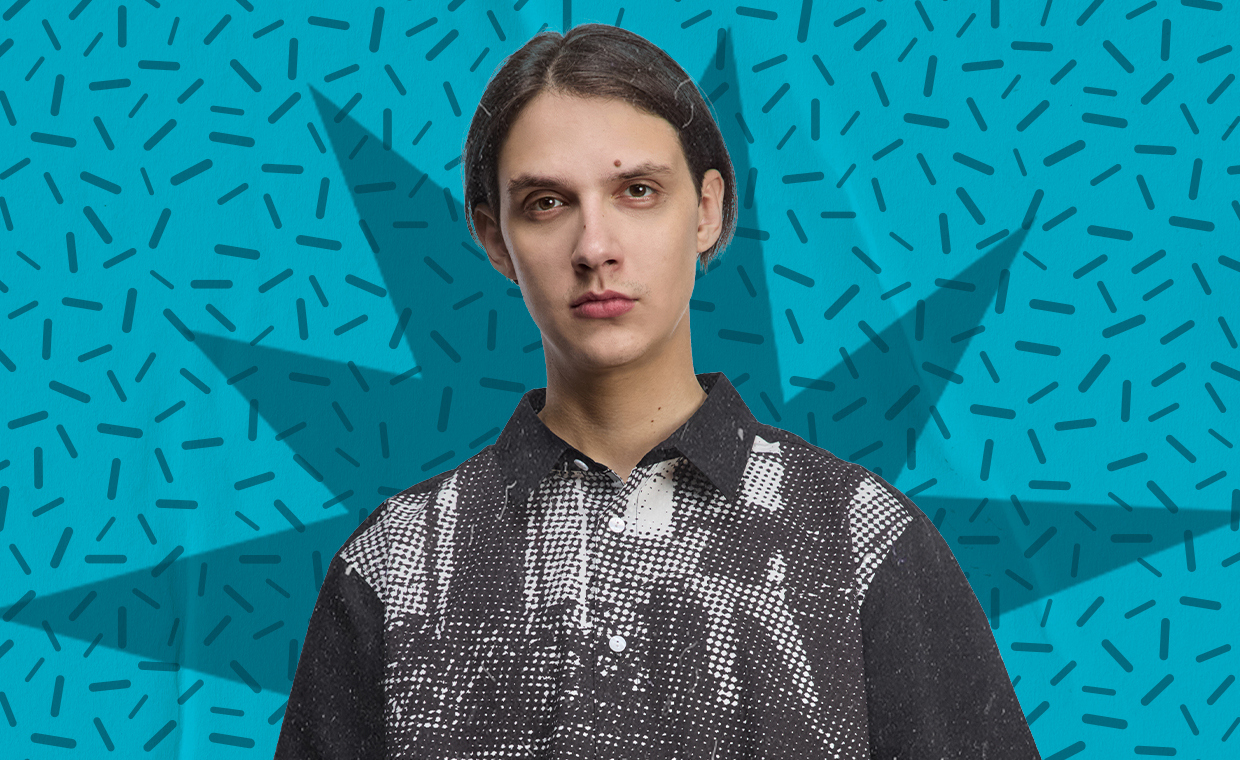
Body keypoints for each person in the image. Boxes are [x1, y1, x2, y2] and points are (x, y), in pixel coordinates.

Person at [273, 23, 1042, 760]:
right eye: (547, 203)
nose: (595, 247)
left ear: (706, 211)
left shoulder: (859, 539)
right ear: (494, 239)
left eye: (637, 190)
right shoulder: (397, 562)